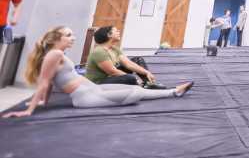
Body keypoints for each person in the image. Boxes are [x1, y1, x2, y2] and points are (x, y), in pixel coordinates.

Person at [2, 26, 193, 117]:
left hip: (94, 90)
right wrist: (29, 110)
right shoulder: (55, 54)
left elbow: (50, 81)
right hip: (85, 97)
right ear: (56, 39)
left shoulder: (57, 53)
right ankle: (173, 93)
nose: (73, 38)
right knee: (135, 95)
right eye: (69, 35)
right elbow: (44, 81)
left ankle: (173, 91)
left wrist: (45, 100)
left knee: (137, 90)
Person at [84, 26, 164, 88]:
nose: (119, 32)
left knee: (137, 60)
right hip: (99, 83)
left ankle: (148, 84)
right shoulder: (99, 52)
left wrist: (147, 72)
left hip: (110, 77)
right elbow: (112, 72)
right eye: (116, 31)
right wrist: (135, 79)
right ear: (109, 35)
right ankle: (140, 85)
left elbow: (128, 64)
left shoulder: (114, 49)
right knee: (130, 78)